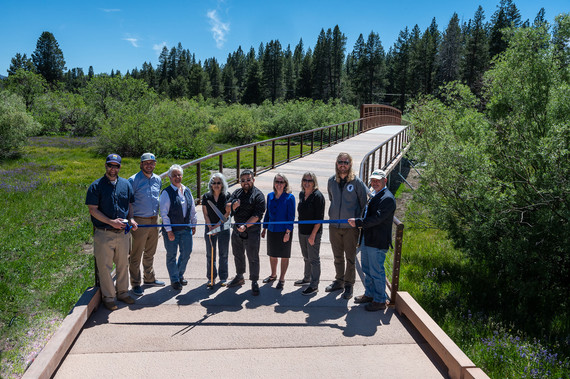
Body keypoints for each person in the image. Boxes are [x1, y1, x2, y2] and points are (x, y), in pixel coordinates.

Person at [86, 154, 137, 311]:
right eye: (110, 165)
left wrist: (132, 219)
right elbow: (93, 210)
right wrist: (111, 222)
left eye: (116, 166)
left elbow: (129, 204)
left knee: (123, 264)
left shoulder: (125, 184)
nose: (112, 169)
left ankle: (122, 292)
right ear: (105, 166)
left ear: (120, 167)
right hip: (104, 232)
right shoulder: (96, 186)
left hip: (123, 234)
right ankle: (108, 297)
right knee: (105, 267)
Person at [348, 169, 396, 311]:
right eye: (373, 180)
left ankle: (380, 300)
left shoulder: (387, 198)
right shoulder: (376, 194)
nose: (374, 183)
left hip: (377, 241)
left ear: (384, 181)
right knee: (367, 269)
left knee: (376, 271)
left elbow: (377, 219)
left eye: (378, 180)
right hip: (368, 239)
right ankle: (370, 294)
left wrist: (358, 222)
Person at [326, 152, 368, 299]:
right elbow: (332, 199)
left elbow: (363, 204)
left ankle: (349, 284)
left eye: (345, 162)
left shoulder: (357, 183)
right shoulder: (331, 181)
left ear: (350, 164)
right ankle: (339, 280)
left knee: (350, 257)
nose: (342, 165)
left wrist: (358, 222)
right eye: (340, 162)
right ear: (336, 164)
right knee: (337, 256)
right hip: (334, 226)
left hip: (350, 228)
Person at [128, 152, 165, 297]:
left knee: (150, 251)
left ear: (155, 164)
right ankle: (135, 283)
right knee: (136, 253)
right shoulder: (133, 180)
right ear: (141, 164)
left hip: (154, 220)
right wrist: (131, 218)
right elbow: (129, 202)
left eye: (151, 163)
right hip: (139, 220)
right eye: (146, 163)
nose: (149, 165)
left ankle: (149, 278)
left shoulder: (157, 179)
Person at [227, 169, 266, 296]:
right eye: (243, 180)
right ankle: (239, 277)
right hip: (237, 230)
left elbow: (257, 215)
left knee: (253, 257)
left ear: (253, 180)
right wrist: (232, 206)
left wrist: (245, 225)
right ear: (240, 182)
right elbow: (227, 206)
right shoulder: (236, 193)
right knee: (237, 254)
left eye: (248, 180)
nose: (246, 182)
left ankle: (254, 281)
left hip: (252, 230)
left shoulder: (258, 195)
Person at [159, 164, 197, 291]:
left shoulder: (186, 190)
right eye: (174, 175)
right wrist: (169, 231)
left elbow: (192, 208)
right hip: (172, 231)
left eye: (179, 175)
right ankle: (174, 279)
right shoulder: (166, 192)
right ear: (169, 177)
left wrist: (193, 223)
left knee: (187, 253)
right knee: (171, 255)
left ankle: (180, 274)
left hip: (186, 228)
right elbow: (164, 214)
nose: (177, 177)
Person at [261, 173, 295, 290]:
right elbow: (267, 214)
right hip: (272, 230)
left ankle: (281, 278)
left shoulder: (290, 197)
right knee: (272, 255)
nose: (279, 184)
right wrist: (264, 228)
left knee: (284, 256)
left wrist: (288, 233)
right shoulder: (270, 196)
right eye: (277, 182)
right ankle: (273, 275)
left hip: (284, 231)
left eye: (281, 182)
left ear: (285, 184)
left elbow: (291, 217)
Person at [295, 172, 325, 296]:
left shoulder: (318, 196)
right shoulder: (302, 194)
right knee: (306, 257)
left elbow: (319, 218)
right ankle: (306, 278)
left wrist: (313, 235)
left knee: (314, 259)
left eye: (310, 180)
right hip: (302, 231)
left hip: (313, 233)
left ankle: (314, 285)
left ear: (314, 182)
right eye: (305, 180)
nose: (307, 183)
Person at [202, 173, 231, 288]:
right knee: (210, 254)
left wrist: (217, 226)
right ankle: (211, 278)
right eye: (214, 183)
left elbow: (227, 213)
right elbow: (205, 213)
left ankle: (223, 277)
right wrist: (210, 226)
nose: (216, 185)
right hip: (209, 227)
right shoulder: (206, 196)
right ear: (211, 184)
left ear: (222, 184)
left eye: (219, 183)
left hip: (223, 227)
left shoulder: (227, 196)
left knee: (223, 254)